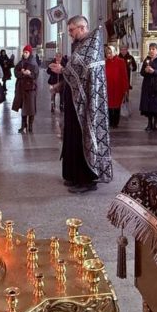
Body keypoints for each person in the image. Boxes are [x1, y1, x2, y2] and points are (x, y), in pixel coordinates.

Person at [48, 16, 112, 193]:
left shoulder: (91, 46)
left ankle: (87, 180)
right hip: (74, 102)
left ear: (82, 27)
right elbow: (76, 74)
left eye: (72, 30)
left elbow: (83, 74)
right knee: (73, 137)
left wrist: (63, 70)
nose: (70, 34)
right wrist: (60, 85)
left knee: (83, 137)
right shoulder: (81, 45)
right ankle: (74, 175)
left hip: (86, 103)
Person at [139, 43, 157, 132]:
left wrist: (154, 71)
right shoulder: (147, 59)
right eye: (150, 49)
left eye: (153, 49)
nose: (151, 51)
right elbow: (142, 72)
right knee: (148, 105)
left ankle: (156, 123)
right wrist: (145, 71)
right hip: (147, 86)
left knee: (156, 105)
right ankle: (149, 123)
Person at [12, 45, 40, 133]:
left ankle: (30, 125)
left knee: (31, 108)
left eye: (26, 52)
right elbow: (15, 72)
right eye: (24, 52)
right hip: (21, 88)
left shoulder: (34, 63)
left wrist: (29, 74)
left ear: (30, 53)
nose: (24, 54)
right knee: (23, 107)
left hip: (31, 89)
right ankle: (23, 125)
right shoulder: (21, 62)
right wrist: (22, 73)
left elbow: (35, 75)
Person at [105, 45, 129, 129]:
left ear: (114, 52)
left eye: (110, 53)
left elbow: (124, 76)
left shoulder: (121, 61)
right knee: (109, 106)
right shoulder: (105, 62)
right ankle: (110, 122)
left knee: (117, 106)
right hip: (108, 88)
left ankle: (115, 122)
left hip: (118, 88)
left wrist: (125, 89)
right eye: (107, 53)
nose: (109, 55)